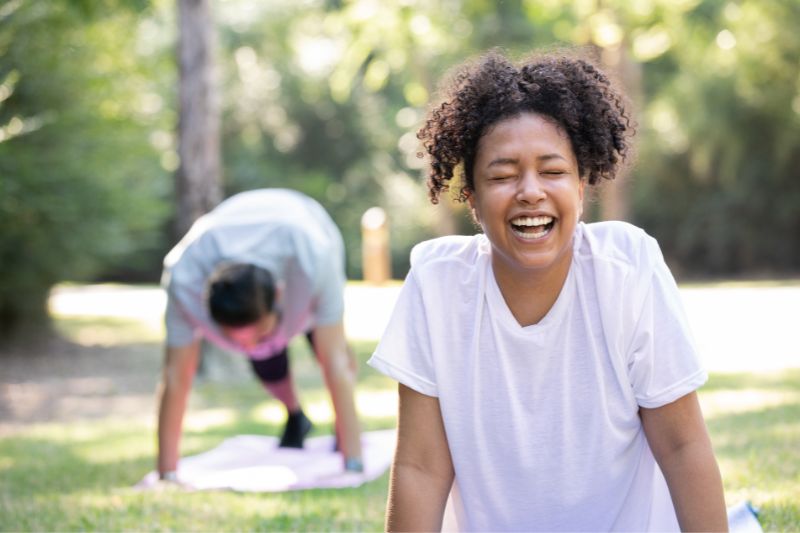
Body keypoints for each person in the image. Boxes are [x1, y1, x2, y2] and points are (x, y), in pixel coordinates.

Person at [368, 49, 728, 531]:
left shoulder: (626, 268)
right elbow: (421, 467)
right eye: (502, 174)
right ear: (471, 197)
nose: (530, 191)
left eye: (553, 171)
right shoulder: (437, 284)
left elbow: (682, 446)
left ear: (582, 185)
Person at [156, 188, 363, 483]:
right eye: (239, 340)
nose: (250, 346)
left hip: (307, 224)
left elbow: (336, 362)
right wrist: (167, 473)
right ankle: (296, 416)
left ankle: (344, 433)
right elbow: (176, 376)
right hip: (244, 253)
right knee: (266, 356)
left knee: (328, 348)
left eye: (259, 334)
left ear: (280, 296)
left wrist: (353, 464)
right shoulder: (183, 278)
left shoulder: (314, 257)